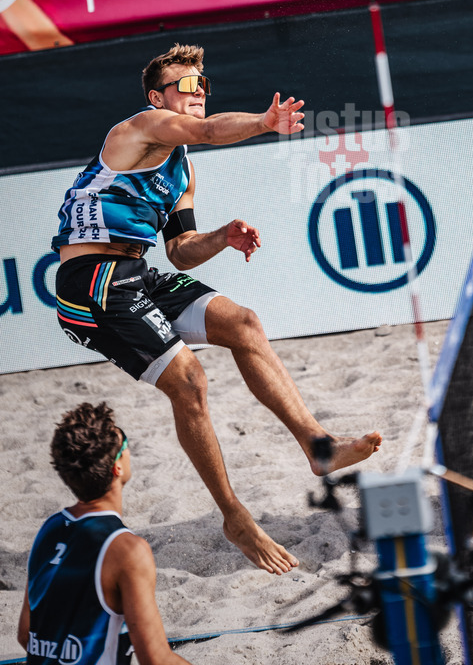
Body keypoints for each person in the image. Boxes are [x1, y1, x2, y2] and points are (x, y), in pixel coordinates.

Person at [51, 43, 382, 575]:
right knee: (190, 380)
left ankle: (318, 445)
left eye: (203, 84)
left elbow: (180, 249)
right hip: (91, 281)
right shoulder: (137, 129)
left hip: (136, 270)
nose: (198, 92)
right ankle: (234, 516)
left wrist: (222, 238)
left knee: (244, 323)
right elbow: (205, 131)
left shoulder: (180, 169)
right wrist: (264, 122)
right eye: (186, 86)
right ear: (158, 97)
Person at [17, 402, 190, 665]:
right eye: (126, 444)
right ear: (117, 467)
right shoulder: (127, 549)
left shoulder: (49, 529)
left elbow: (26, 635)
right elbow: (156, 659)